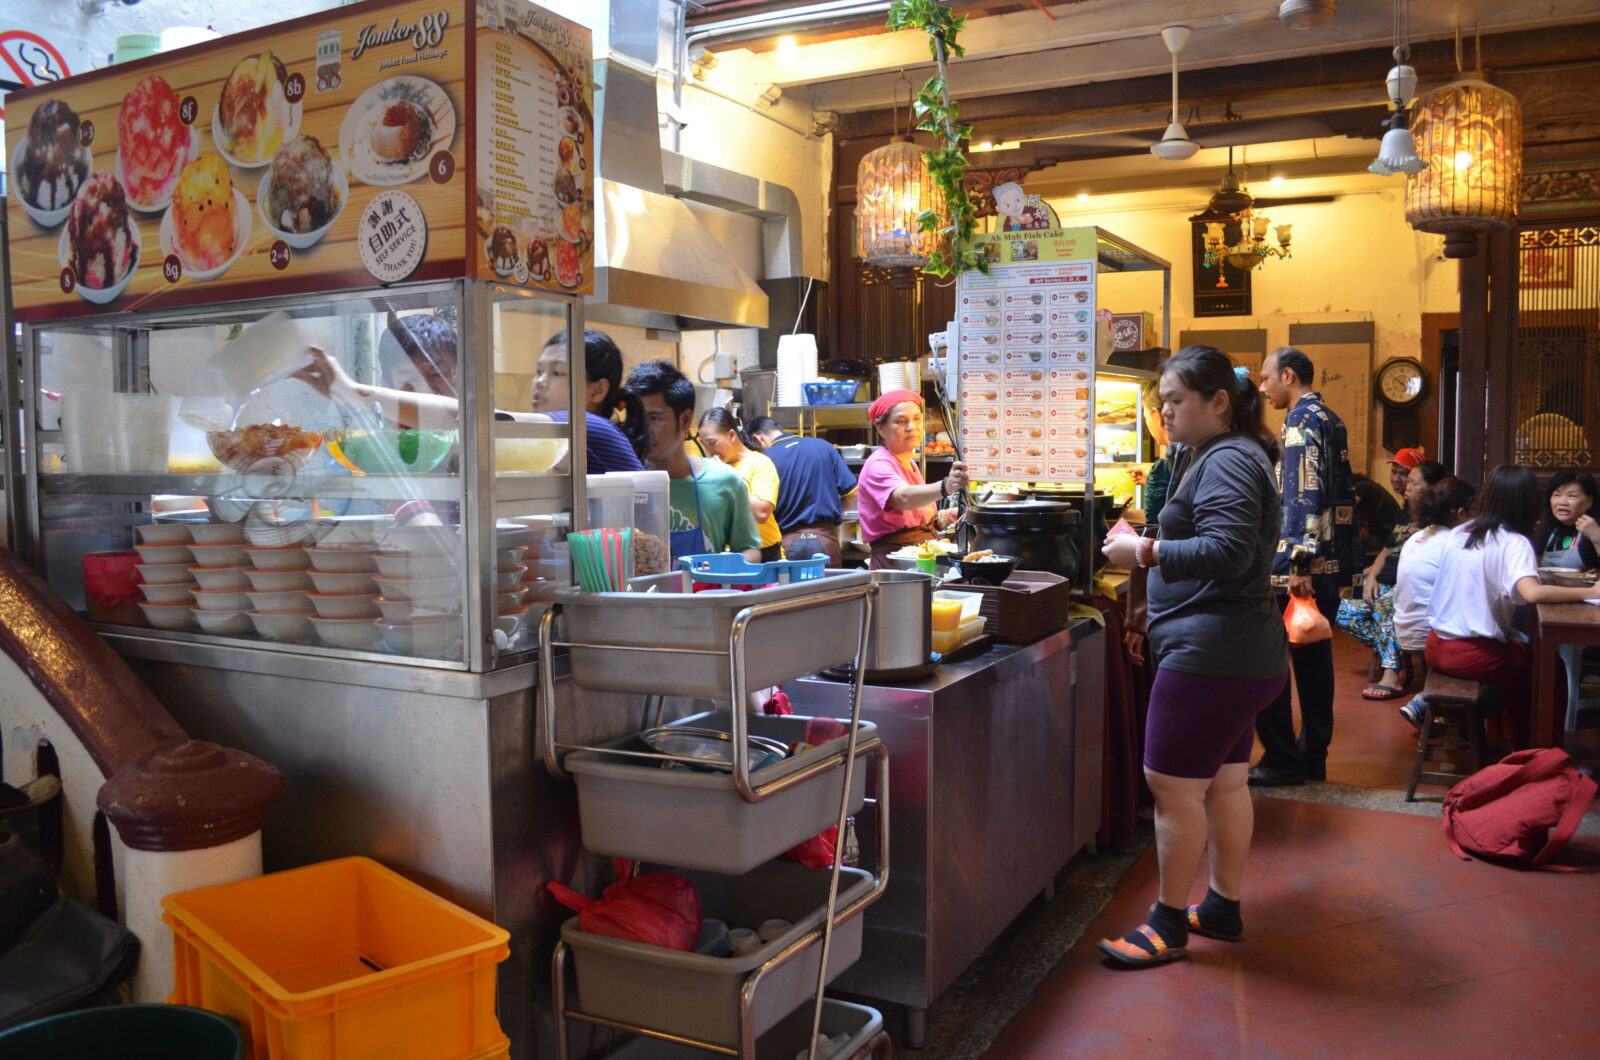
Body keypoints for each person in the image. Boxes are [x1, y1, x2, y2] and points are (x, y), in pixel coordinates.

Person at [1096, 348, 1287, 967]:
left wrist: (1143, 551)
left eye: (1175, 399)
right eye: (1162, 400)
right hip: (1239, 650)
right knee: (1226, 782)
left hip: (1213, 654)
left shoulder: (1228, 458)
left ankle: (1167, 923)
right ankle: (1222, 906)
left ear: (1218, 402)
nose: (1164, 410)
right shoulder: (1216, 453)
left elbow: (1228, 551)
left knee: (1173, 788)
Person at [1250, 346, 1364, 786]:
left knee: (1272, 663)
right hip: (1331, 565)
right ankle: (1312, 757)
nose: (1262, 388)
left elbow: (1304, 494)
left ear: (1290, 376)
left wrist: (1299, 560)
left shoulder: (1300, 420)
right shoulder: (1330, 417)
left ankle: (1281, 757)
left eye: (1267, 378)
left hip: (1298, 568)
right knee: (1316, 667)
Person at [1426, 465, 1600, 747]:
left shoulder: (1461, 532)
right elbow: (1530, 593)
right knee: (1548, 669)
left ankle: (1503, 738)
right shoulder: (1514, 542)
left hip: (1436, 644)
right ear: (1527, 502)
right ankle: (1533, 753)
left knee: (1521, 655)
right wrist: (1590, 590)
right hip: (1467, 653)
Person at [622, 359, 760, 563]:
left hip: (704, 593)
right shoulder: (623, 484)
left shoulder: (725, 481)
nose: (643, 429)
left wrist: (720, 569)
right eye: (636, 418)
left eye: (654, 418)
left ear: (685, 420)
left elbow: (751, 550)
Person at [1340, 458, 1447, 699]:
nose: (1406, 487)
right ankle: (1397, 652)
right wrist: (1373, 577)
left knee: (1385, 606)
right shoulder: (1405, 513)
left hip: (1406, 587)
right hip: (1385, 581)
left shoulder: (1437, 522)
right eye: (1406, 481)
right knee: (1342, 609)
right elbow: (1387, 550)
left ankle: (1392, 674)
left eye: (1413, 482)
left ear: (1433, 488)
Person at [1392, 476, 1478, 729]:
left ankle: (1440, 708)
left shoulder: (1419, 536)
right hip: (1427, 635)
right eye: (1474, 510)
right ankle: (1427, 703)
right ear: (1461, 513)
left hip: (1405, 630)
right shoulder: (1453, 542)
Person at [855, 389, 968, 569]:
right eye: (901, 421)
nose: (912, 427)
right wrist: (946, 486)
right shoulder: (878, 464)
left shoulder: (908, 462)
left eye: (917, 419)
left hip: (920, 557)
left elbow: (911, 516)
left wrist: (942, 517)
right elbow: (903, 498)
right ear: (880, 428)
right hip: (896, 563)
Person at [530, 329, 643, 475]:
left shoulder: (594, 429)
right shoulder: (553, 443)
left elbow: (502, 422)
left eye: (557, 372)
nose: (540, 382)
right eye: (539, 371)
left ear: (598, 390)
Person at [750, 417, 857, 566]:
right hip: (826, 539)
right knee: (829, 589)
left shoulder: (764, 460)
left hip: (787, 543)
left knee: (794, 589)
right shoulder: (823, 446)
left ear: (757, 439)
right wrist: (837, 515)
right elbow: (852, 492)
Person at [697, 408, 783, 562]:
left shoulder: (759, 463)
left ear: (731, 435)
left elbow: (762, 514)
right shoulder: (710, 469)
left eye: (712, 443)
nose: (709, 451)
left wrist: (728, 477)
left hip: (765, 553)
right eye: (705, 445)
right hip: (727, 554)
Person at [1531, 470, 1600, 570]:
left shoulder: (1595, 527)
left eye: (1571, 496)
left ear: (1589, 501)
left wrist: (1596, 536)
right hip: (1547, 585)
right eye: (1557, 495)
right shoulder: (1549, 528)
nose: (1562, 502)